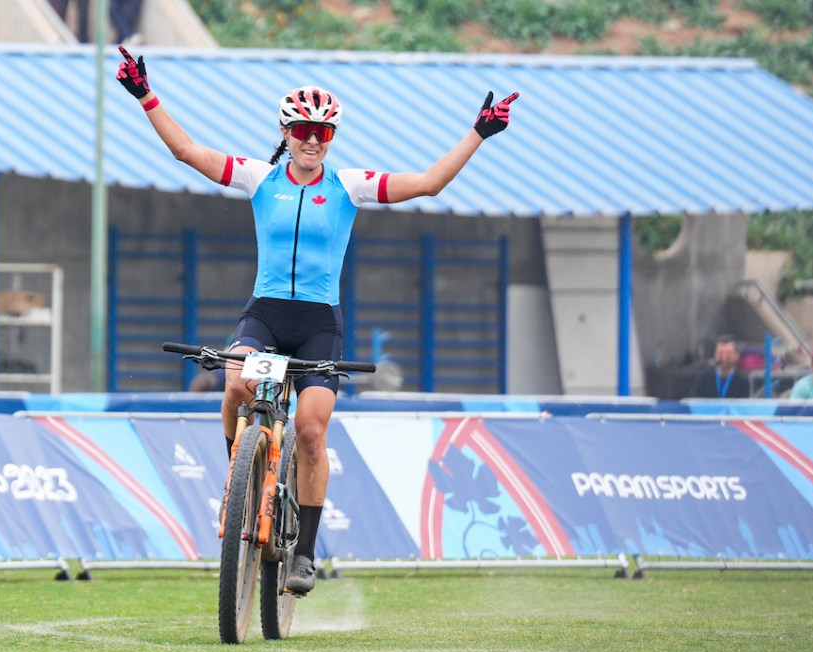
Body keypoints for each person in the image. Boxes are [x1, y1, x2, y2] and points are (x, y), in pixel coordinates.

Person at [116, 46, 519, 593]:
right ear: (285, 132)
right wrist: (145, 95)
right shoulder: (259, 178)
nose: (312, 139)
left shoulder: (348, 186)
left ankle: (303, 553)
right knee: (235, 381)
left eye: (323, 133)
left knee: (309, 431)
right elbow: (186, 151)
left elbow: (427, 184)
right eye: (304, 129)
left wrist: (478, 132)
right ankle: (239, 482)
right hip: (265, 314)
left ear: (331, 140)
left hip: (317, 324)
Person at [692, 334, 751, 399]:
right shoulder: (704, 378)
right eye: (720, 353)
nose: (724, 358)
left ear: (736, 355)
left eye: (729, 354)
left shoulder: (742, 381)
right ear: (715, 354)